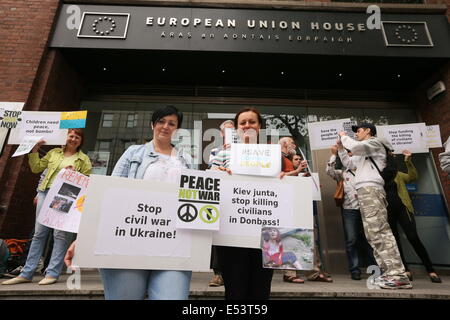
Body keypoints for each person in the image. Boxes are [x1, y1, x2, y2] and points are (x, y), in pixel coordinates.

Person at [65, 106, 192, 300]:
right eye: (161, 121)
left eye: (172, 123)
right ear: (152, 124)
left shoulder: (187, 161)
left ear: (177, 129)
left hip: (173, 245)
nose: (165, 126)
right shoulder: (134, 153)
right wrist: (85, 236)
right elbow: (110, 195)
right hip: (128, 241)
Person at [2, 129, 91, 286]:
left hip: (66, 195)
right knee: (39, 233)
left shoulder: (83, 159)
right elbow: (36, 168)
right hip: (46, 193)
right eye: (71, 136)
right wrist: (34, 150)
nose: (73, 139)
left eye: (77, 137)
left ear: (81, 141)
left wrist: (76, 175)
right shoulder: (54, 153)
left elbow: (87, 183)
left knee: (60, 235)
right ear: (66, 137)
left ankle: (52, 272)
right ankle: (27, 272)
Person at [211, 107, 275, 300]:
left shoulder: (273, 154)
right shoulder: (220, 153)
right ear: (236, 128)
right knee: (235, 291)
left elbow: (282, 185)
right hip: (232, 232)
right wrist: (219, 173)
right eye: (243, 123)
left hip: (266, 233)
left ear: (260, 126)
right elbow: (211, 179)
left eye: (252, 122)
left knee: (261, 290)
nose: (247, 125)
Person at [338, 122, 412, 289]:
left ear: (368, 131)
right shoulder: (365, 148)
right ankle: (389, 273)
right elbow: (350, 164)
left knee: (380, 231)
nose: (356, 133)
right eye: (354, 131)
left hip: (371, 190)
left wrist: (343, 137)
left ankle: (397, 275)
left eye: (358, 130)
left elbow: (355, 147)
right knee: (373, 234)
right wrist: (342, 150)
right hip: (365, 190)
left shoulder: (375, 142)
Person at [385, 150, 441, 283]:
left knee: (413, 237)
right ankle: (405, 269)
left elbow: (413, 176)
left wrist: (408, 161)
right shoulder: (378, 177)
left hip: (403, 209)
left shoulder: (397, 175)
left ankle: (430, 270)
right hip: (387, 211)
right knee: (395, 241)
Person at [326, 144, 376, 280]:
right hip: (350, 211)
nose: (350, 155)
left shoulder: (365, 171)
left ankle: (375, 270)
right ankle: (355, 270)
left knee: (370, 239)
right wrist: (333, 154)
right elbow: (329, 171)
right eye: (348, 153)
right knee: (351, 240)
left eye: (352, 153)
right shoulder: (342, 173)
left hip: (366, 209)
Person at [208, 120, 234, 287]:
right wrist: (221, 155)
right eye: (227, 130)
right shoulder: (215, 151)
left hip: (240, 198)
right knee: (219, 237)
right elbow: (211, 170)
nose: (230, 132)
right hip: (222, 198)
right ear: (221, 133)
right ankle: (218, 273)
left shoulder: (246, 149)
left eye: (233, 130)